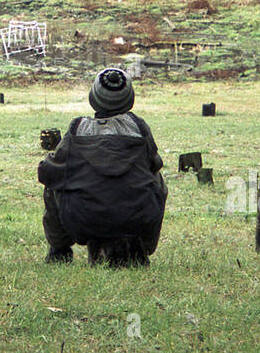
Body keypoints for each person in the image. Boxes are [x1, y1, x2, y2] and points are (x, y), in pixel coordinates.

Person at [37, 67, 167, 266]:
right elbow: (155, 164)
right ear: (129, 99)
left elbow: (48, 172)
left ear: (94, 97)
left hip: (84, 221)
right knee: (158, 181)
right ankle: (144, 246)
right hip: (135, 218)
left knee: (54, 184)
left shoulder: (77, 128)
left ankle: (59, 251)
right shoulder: (139, 127)